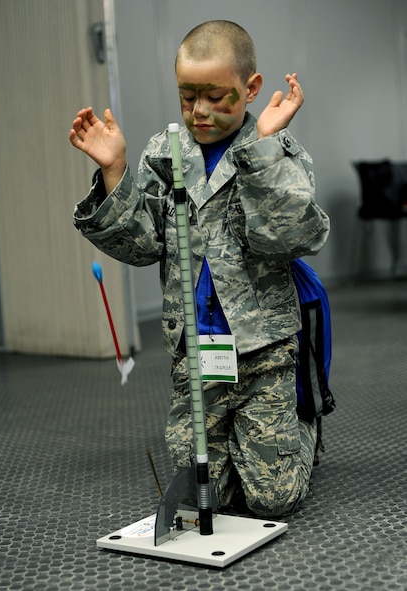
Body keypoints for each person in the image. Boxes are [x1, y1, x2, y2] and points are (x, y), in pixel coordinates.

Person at [69, 20, 330, 518]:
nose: (200, 111)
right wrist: (115, 173)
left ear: (251, 88)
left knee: (273, 500)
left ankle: (303, 427)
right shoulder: (164, 154)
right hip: (197, 354)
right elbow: (142, 246)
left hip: (264, 352)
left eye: (217, 96)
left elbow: (294, 237)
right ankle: (245, 442)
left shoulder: (276, 149)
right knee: (205, 490)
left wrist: (263, 149)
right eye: (188, 97)